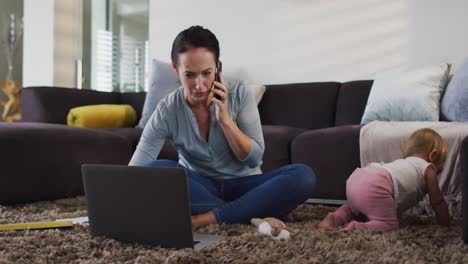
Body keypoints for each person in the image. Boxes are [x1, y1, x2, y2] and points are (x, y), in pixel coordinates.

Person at [129, 25, 316, 227]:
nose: (199, 85)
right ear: (175, 69)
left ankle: (208, 217)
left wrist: (225, 120)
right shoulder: (167, 109)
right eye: (190, 75)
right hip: (199, 186)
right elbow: (137, 171)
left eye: (206, 73)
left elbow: (254, 159)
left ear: (217, 67)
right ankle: (253, 210)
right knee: (154, 170)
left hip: (245, 184)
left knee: (303, 176)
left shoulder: (240, 93)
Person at [318, 128, 449, 231]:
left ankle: (334, 218)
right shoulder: (428, 168)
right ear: (433, 156)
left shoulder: (402, 163)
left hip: (357, 178)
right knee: (389, 224)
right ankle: (357, 227)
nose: (441, 169)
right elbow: (437, 202)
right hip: (377, 183)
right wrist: (445, 224)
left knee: (354, 210)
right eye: (442, 163)